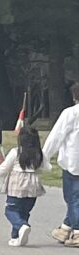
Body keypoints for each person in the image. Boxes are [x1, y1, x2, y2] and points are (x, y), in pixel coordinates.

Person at [0, 123, 45, 246]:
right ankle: (16, 236)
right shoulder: (39, 153)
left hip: (17, 183)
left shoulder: (16, 152)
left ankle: (21, 226)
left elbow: (4, 168)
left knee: (11, 210)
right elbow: (46, 167)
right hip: (33, 184)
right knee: (24, 211)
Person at [44, 83, 79, 244]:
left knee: (72, 198)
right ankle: (65, 228)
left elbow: (56, 137)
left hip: (73, 162)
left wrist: (45, 157)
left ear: (74, 97)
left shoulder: (71, 113)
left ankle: (77, 231)